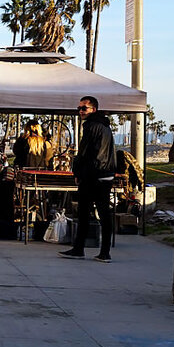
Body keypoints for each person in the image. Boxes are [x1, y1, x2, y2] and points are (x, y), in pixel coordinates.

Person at [60, 95, 116, 263]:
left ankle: (79, 249)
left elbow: (87, 153)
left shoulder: (91, 126)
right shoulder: (105, 127)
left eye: (84, 108)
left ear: (94, 109)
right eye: (79, 108)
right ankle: (104, 252)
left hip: (94, 175)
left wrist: (79, 173)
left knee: (85, 213)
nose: (80, 111)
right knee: (104, 213)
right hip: (105, 174)